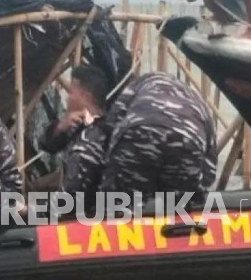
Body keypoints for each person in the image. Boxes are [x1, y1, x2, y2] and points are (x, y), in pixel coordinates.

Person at [47, 68, 216, 203]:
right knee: (180, 206)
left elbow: (74, 192)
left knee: (120, 207)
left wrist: (32, 211)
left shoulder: (100, 126)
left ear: (86, 96)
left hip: (141, 129)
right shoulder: (184, 97)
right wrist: (198, 193)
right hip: (193, 136)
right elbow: (208, 166)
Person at [41, 66, 110, 205]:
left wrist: (27, 211)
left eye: (71, 92)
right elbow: (47, 145)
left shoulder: (91, 139)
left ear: (86, 97)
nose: (67, 98)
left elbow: (68, 200)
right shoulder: (80, 125)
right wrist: (61, 126)